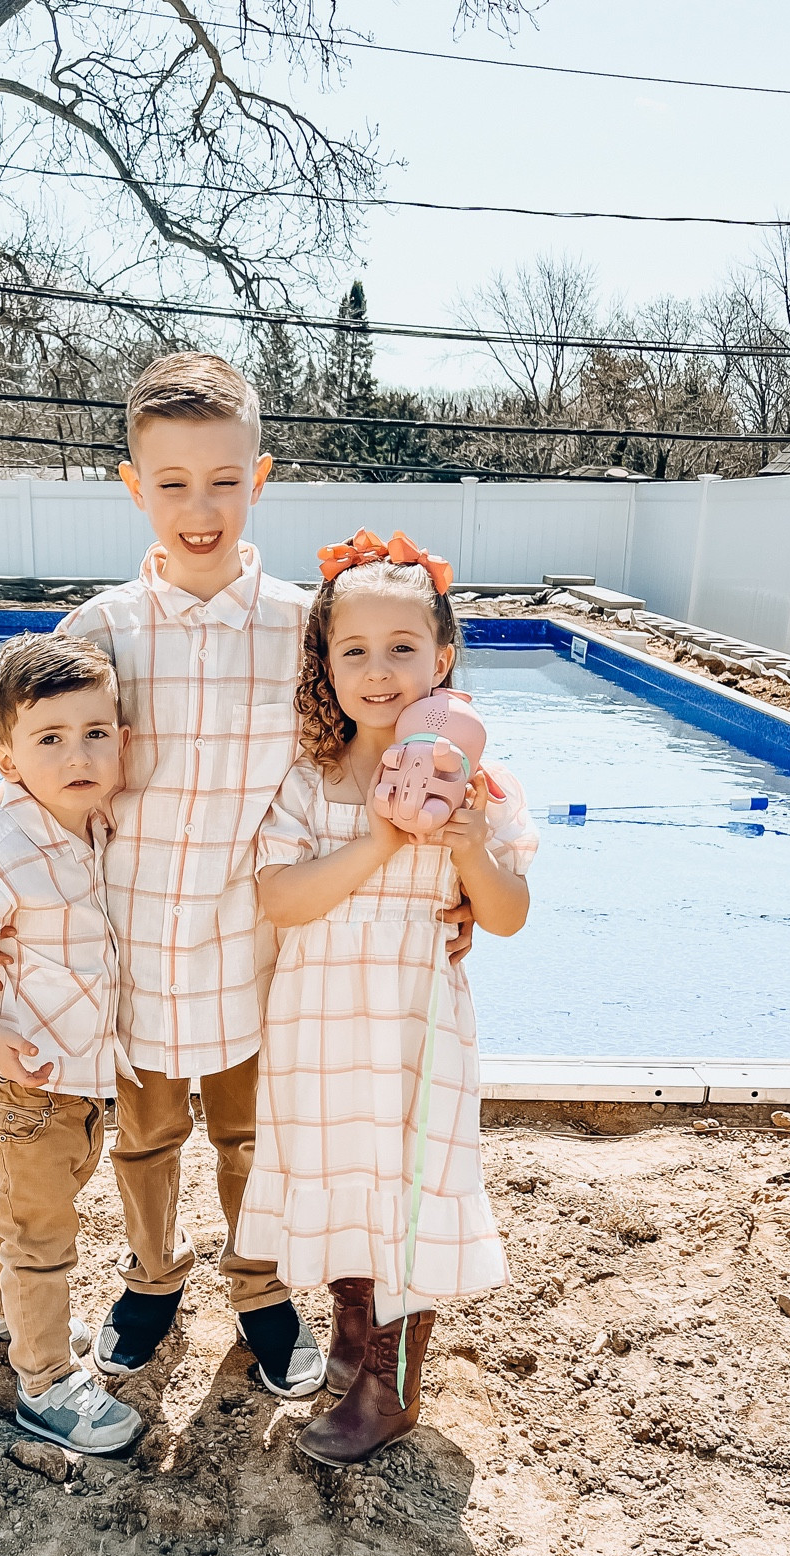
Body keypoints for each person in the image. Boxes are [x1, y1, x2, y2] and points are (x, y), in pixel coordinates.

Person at [56, 351, 327, 1397]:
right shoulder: (100, 631)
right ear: (134, 486)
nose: (198, 506)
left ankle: (260, 1284)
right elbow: (52, 792)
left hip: (259, 952)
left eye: (222, 480)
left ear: (261, 475)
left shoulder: (306, 632)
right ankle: (155, 1276)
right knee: (147, 1135)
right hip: (134, 951)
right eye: (171, 483)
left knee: (253, 1137)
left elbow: (347, 783)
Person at [236, 531, 538, 1463]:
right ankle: (355, 1331)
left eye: (402, 649)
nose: (378, 672)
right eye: (353, 651)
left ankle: (393, 1383)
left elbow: (511, 914)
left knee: (408, 1188)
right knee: (341, 1179)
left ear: (443, 658)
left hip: (415, 1025)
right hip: (319, 1022)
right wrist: (376, 841)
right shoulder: (309, 778)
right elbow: (278, 897)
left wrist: (465, 849)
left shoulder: (478, 787)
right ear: (324, 665)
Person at [0, 633, 145, 1456]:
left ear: (122, 739)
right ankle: (45, 1383)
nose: (77, 754)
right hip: (24, 1084)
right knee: (44, 1236)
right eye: (49, 739)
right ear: (5, 758)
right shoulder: (3, 846)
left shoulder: (99, 823)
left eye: (95, 732)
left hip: (79, 1078)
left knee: (24, 1207)